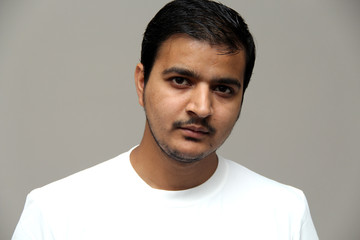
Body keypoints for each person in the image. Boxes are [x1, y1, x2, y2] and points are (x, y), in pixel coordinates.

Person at [12, 0, 319, 239]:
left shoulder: (285, 212)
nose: (201, 107)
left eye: (223, 88)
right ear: (141, 82)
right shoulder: (55, 212)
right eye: (180, 81)